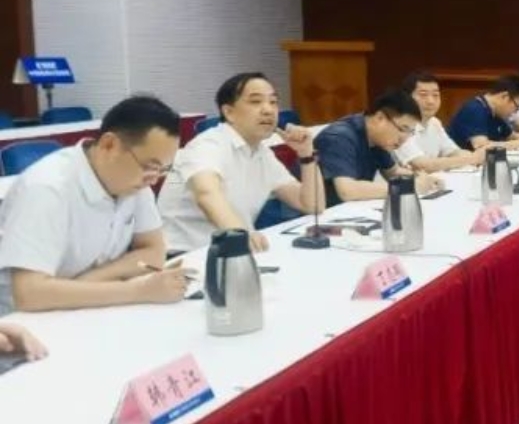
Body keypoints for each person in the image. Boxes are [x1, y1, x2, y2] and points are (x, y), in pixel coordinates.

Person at [0, 95, 190, 314]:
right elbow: (30, 294)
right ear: (110, 145)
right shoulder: (46, 188)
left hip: (87, 306)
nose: (154, 179)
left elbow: (153, 252)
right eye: (150, 166)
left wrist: (89, 282)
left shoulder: (135, 181)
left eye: (163, 169)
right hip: (25, 320)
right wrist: (137, 290)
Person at [157, 72, 325, 254]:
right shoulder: (207, 145)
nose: (268, 110)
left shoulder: (261, 152)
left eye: (273, 102)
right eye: (256, 101)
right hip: (185, 256)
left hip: (234, 251)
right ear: (229, 112)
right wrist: (242, 234)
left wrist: (306, 154)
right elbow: (206, 194)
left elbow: (311, 205)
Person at [314, 89, 439, 208]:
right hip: (319, 216)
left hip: (349, 210)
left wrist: (421, 179)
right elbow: (347, 191)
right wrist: (407, 187)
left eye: (410, 132)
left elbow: (393, 172)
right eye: (402, 129)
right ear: (380, 118)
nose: (404, 139)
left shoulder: (377, 138)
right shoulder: (339, 137)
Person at [394, 71, 484, 173]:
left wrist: (477, 156)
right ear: (407, 97)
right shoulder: (400, 126)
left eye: (435, 95)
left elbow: (454, 151)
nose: (431, 101)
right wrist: (473, 158)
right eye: (423, 95)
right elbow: (423, 166)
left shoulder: (434, 122)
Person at [447, 75, 519, 150]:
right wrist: (516, 144)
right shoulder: (475, 109)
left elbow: (513, 136)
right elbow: (481, 146)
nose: (515, 112)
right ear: (505, 97)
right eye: (517, 107)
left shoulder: (496, 113)